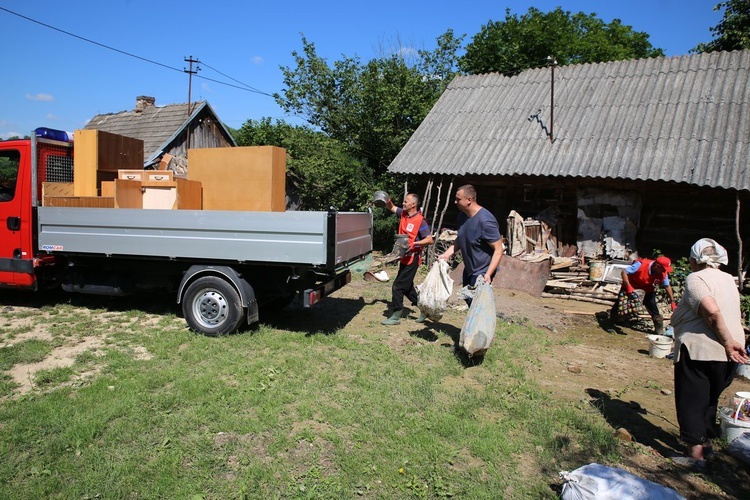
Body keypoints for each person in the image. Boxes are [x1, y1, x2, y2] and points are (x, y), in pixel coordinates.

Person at [671, 238, 748, 465]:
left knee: (691, 401)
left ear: (694, 260)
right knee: (708, 399)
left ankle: (695, 456)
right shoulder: (728, 279)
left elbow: (712, 312)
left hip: (701, 350)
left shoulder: (696, 278)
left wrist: (727, 341)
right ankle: (707, 446)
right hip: (728, 356)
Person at [437, 184, 503, 301]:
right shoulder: (463, 216)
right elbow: (461, 238)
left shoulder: (486, 221)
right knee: (468, 299)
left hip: (482, 270)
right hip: (469, 268)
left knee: (476, 303)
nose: (455, 202)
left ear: (469, 200)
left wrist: (488, 274)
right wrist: (447, 254)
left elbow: (498, 249)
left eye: (458, 199)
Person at [381, 193, 434, 325]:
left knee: (397, 286)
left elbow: (429, 239)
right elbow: (392, 207)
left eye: (406, 202)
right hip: (403, 257)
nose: (403, 203)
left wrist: (414, 244)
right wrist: (387, 200)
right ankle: (424, 309)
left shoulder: (420, 220)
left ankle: (396, 314)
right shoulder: (403, 214)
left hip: (413, 259)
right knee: (407, 287)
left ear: (413, 205)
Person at [618, 255, 677, 334]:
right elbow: (624, 272)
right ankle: (612, 321)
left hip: (647, 288)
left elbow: (667, 286)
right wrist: (628, 286)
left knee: (652, 306)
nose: (664, 271)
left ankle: (658, 330)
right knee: (620, 304)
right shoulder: (640, 264)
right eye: (663, 268)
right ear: (657, 266)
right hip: (632, 285)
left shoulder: (663, 273)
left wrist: (672, 302)